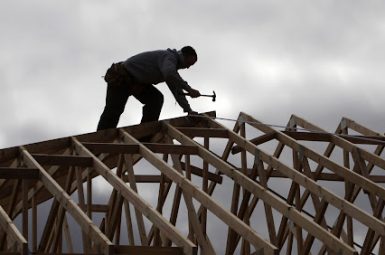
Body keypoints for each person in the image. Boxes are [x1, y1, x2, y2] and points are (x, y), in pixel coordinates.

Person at [97, 46, 201, 130]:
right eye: (189, 63)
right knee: (113, 110)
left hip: (136, 82)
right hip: (121, 77)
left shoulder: (171, 66)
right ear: (183, 56)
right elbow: (169, 74)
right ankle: (100, 140)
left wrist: (188, 110)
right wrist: (189, 89)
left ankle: (144, 133)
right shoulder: (169, 57)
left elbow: (176, 89)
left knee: (156, 99)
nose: (187, 67)